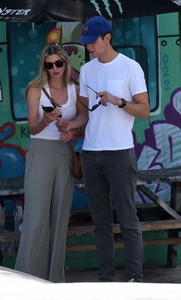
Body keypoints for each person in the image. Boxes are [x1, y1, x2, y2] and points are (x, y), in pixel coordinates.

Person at [56, 16, 150, 282]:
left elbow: (144, 110)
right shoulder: (87, 70)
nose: (88, 48)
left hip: (120, 152)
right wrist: (70, 126)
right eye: (85, 43)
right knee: (100, 222)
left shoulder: (130, 68)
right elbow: (86, 114)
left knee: (128, 219)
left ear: (107, 37)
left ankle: (135, 278)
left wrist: (119, 101)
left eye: (92, 42)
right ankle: (106, 279)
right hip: (91, 153)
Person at [15, 42, 82, 283]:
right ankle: (27, 278)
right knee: (36, 217)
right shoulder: (35, 89)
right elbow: (32, 126)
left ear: (66, 63)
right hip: (41, 151)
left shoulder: (75, 88)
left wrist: (72, 130)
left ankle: (54, 279)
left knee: (59, 218)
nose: (54, 68)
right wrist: (47, 120)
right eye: (49, 64)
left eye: (58, 63)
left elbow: (84, 119)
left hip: (65, 152)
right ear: (44, 65)